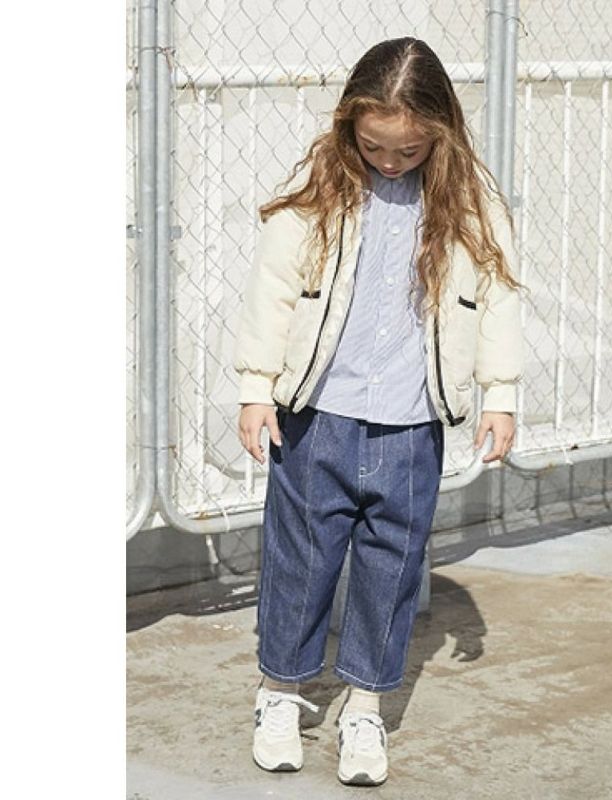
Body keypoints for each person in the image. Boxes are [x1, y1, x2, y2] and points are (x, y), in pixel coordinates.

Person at [233, 36, 523, 787]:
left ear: (441, 133)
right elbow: (272, 285)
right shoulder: (321, 185)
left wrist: (499, 395)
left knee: (390, 571)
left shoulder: (471, 203)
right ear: (348, 127)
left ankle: (365, 708)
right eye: (374, 147)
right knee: (299, 563)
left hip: (411, 422)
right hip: (316, 417)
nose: (391, 162)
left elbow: (497, 299)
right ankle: (280, 693)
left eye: (410, 150)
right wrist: (256, 386)